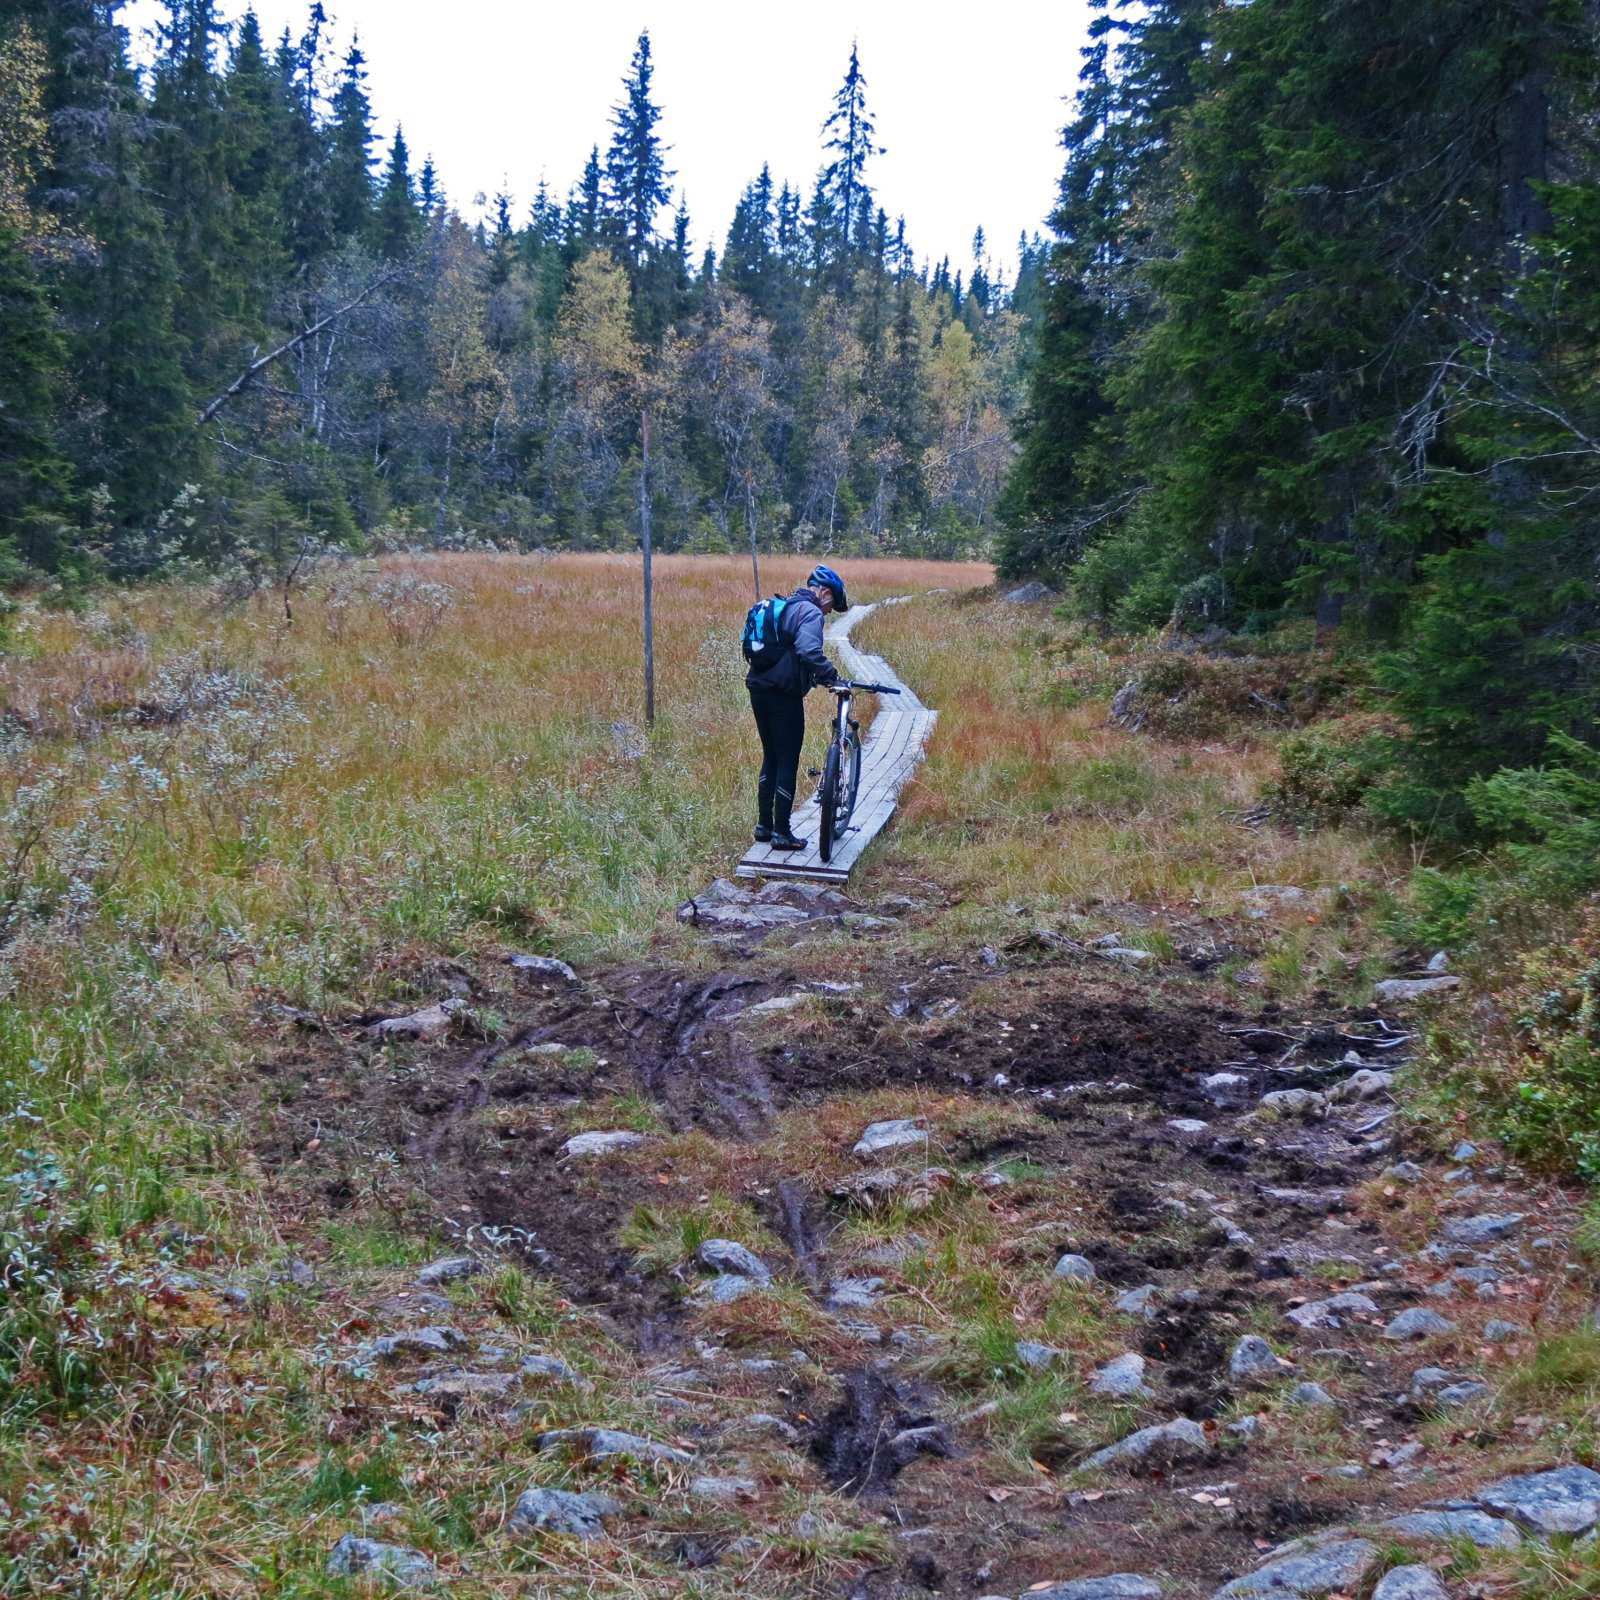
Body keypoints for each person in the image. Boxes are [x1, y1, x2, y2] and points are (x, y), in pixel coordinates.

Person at [746, 563, 850, 849]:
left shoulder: (787, 605)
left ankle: (764, 826)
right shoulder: (811, 612)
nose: (828, 614)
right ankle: (782, 832)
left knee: (771, 757)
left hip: (758, 689)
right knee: (787, 761)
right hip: (783, 696)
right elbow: (808, 650)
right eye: (832, 607)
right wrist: (832, 678)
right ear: (826, 593)